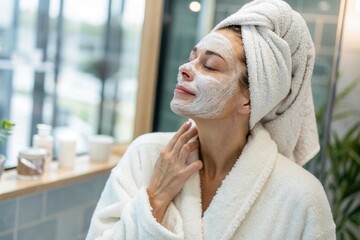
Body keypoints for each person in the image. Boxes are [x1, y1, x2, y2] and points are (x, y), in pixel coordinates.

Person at [86, 0, 336, 239]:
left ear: (250, 99)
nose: (186, 68)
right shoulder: (146, 156)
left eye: (210, 66)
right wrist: (156, 197)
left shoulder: (301, 196)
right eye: (193, 57)